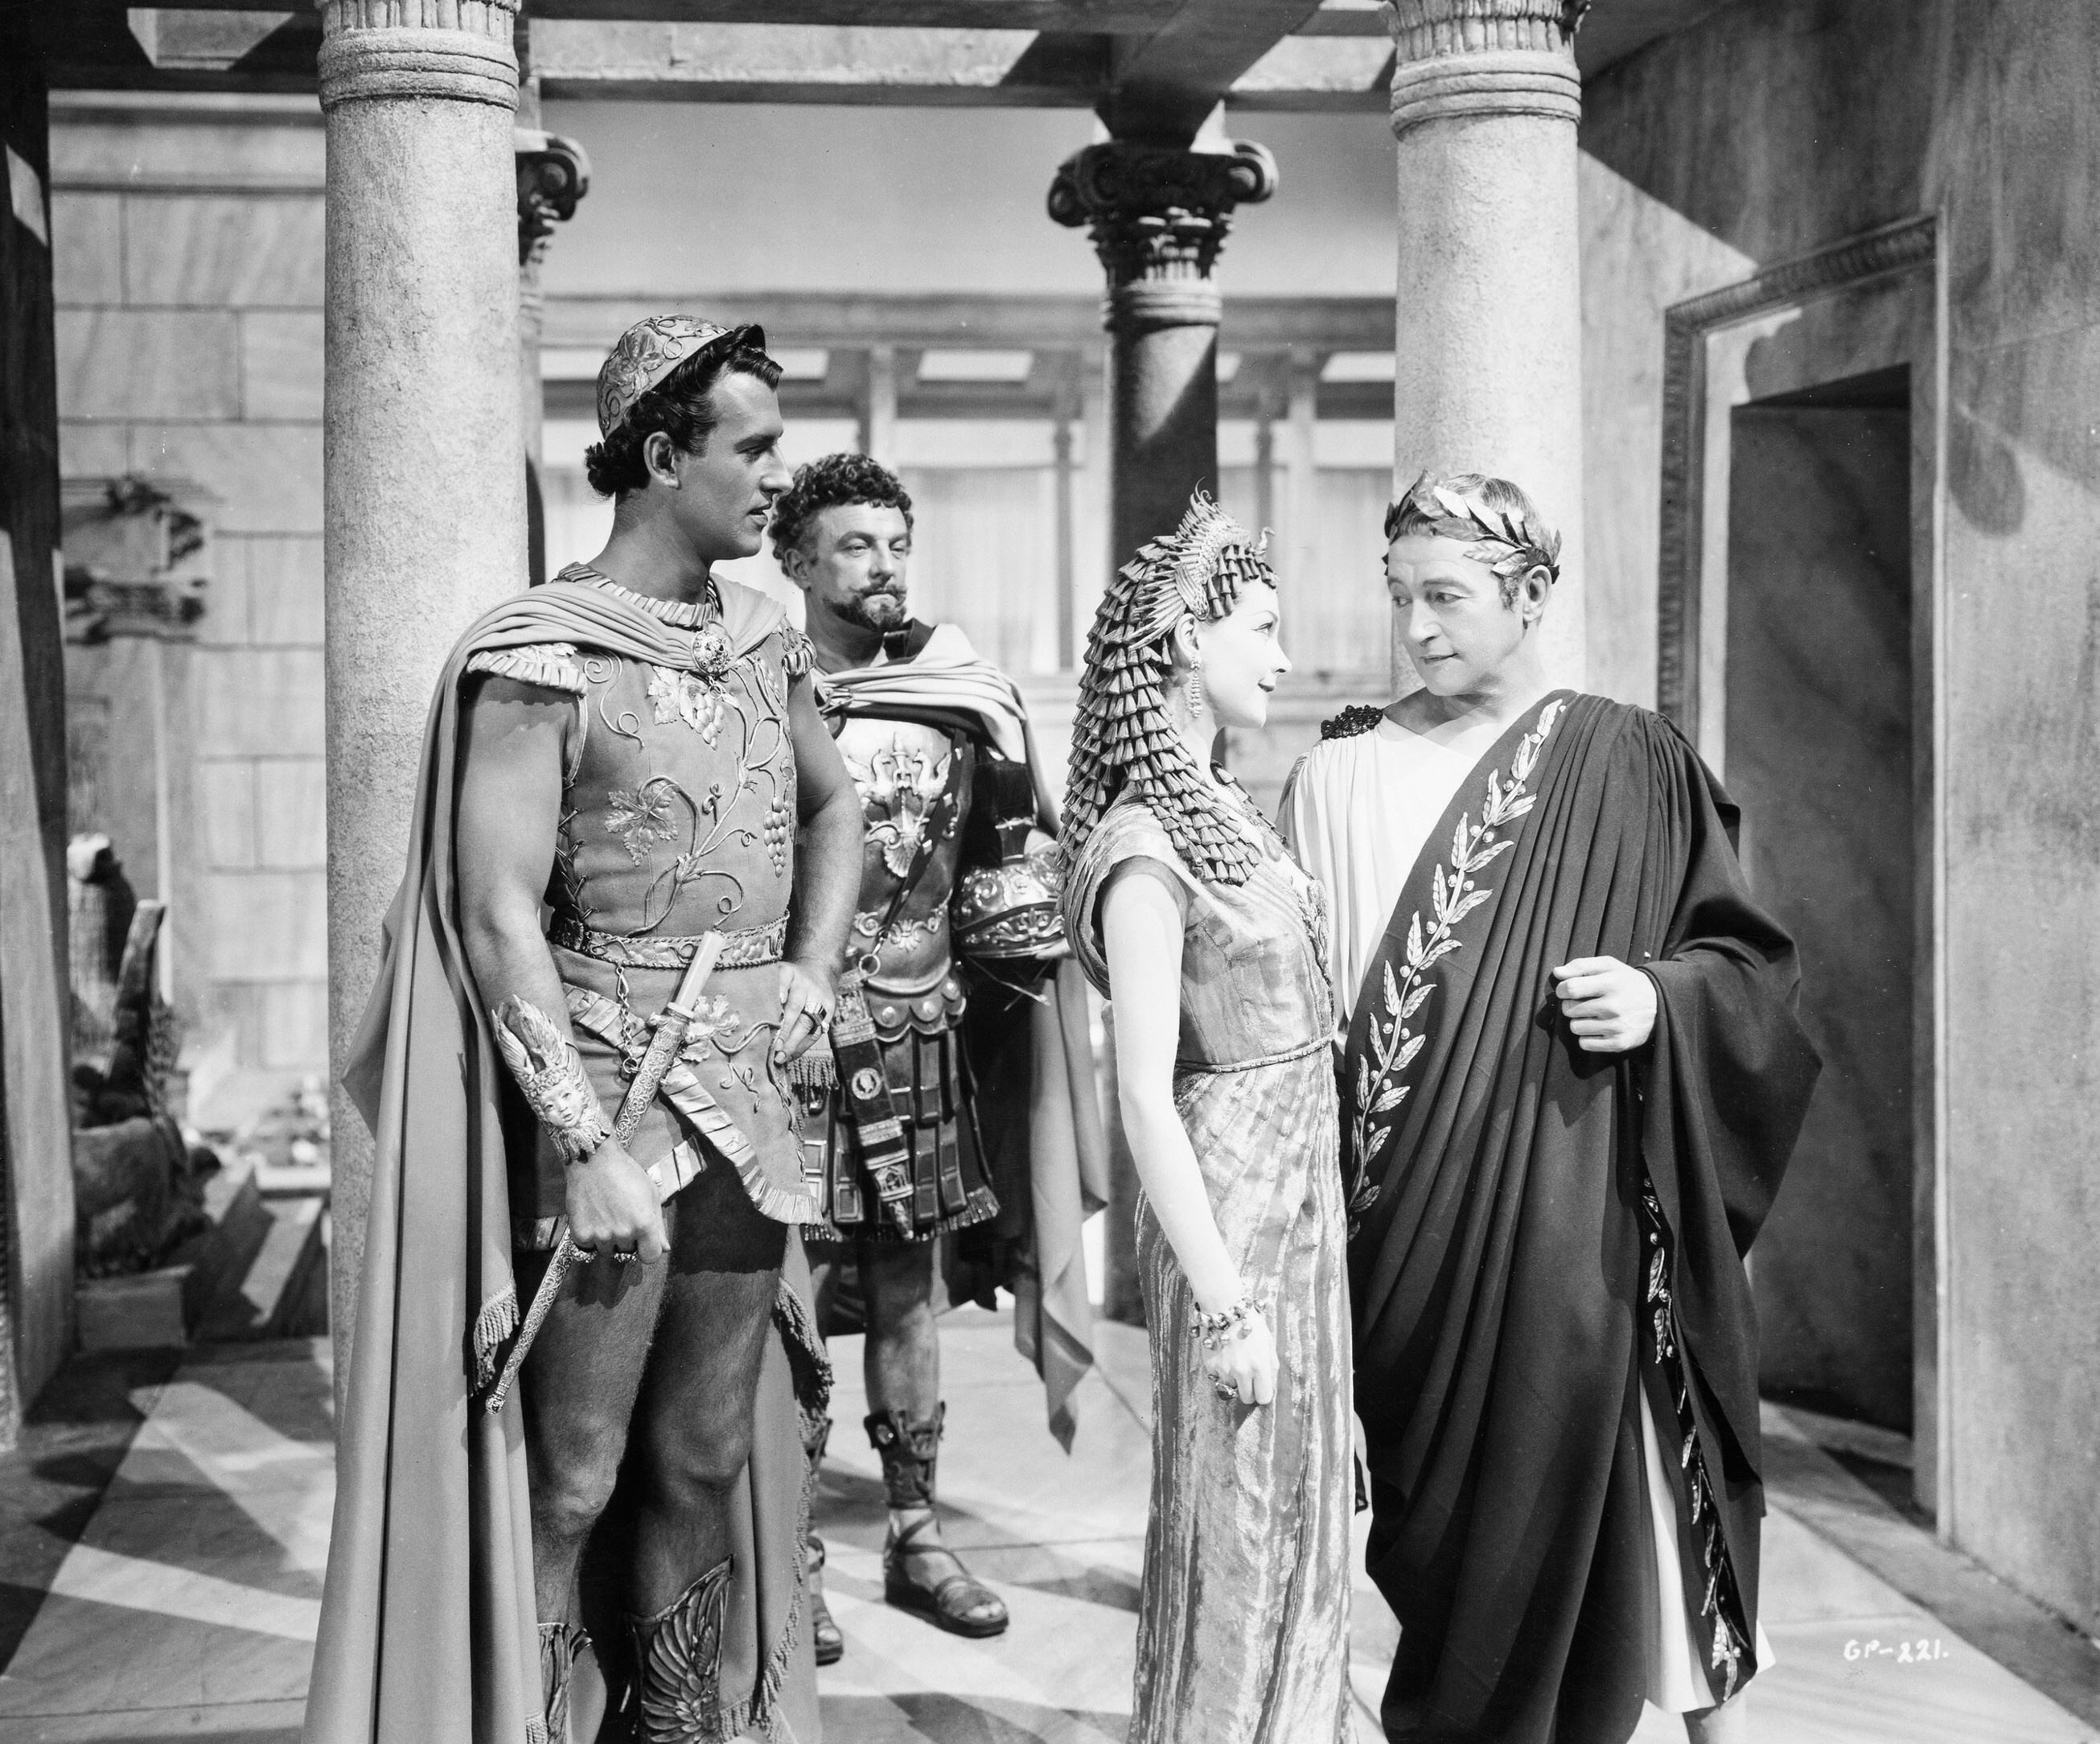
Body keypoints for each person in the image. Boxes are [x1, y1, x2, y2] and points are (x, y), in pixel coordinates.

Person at [306, 316, 865, 1744]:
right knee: (571, 1473)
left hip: (749, 1099)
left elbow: (834, 805)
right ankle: (539, 1723)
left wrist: (811, 964)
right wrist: (583, 1144)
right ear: (663, 457)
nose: (778, 479)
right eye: (754, 450)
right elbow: (496, 914)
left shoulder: (765, 639)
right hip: (607, 1091)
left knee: (704, 1453)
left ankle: (676, 1724)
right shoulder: (541, 655)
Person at [1280, 471, 1822, 1744]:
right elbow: (1295, 1009)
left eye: (1447, 597)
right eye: (1399, 596)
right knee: (1448, 1541)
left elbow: (1749, 967)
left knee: (1631, 1495)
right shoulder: (1336, 775)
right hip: (1398, 1232)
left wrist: (1660, 1000)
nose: (1415, 627)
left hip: (1577, 1210)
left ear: (1530, 598)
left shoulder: (1630, 760)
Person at [768, 453, 1104, 1660]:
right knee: (793, 1299)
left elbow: (1012, 864)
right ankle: (790, 1552)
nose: (885, 566)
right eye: (855, 545)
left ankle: (916, 1531)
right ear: (795, 559)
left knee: (908, 1290)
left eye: (897, 544)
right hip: (798, 1040)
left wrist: (1024, 929)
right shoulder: (764, 688)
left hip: (923, 1020)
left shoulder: (966, 695)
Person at [1059, 492, 1354, 1743]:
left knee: (1304, 1515)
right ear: (1186, 639)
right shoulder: (1145, 847)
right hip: (1230, 1210)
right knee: (1240, 1525)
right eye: (1262, 630)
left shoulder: (1227, 807)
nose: (1283, 659)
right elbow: (1142, 1091)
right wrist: (1226, 1302)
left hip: (1303, 1199)